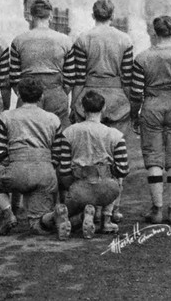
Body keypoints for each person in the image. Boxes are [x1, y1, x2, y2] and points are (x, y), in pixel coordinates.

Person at [6, 0, 73, 220]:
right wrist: (60, 92)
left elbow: (13, 75)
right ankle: (60, 200)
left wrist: (24, 93)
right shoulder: (64, 40)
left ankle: (17, 203)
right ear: (51, 16)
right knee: (59, 144)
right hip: (55, 91)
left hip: (27, 91)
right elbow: (70, 76)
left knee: (21, 140)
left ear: (30, 16)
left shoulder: (19, 40)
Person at [129, 16, 171, 225]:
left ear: (154, 32)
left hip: (151, 106)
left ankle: (157, 209)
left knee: (153, 159)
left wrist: (134, 116)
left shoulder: (142, 58)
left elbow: (135, 93)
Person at [0, 77, 70, 240]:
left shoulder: (6, 116)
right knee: (37, 224)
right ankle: (54, 215)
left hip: (17, 169)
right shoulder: (53, 119)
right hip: (45, 172)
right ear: (41, 96)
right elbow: (58, 152)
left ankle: (7, 212)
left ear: (19, 95)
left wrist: (11, 164)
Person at [69, 0, 133, 223]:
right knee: (114, 153)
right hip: (117, 98)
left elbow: (78, 77)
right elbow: (127, 78)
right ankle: (112, 208)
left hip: (89, 92)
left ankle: (90, 205)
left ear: (93, 15)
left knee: (88, 151)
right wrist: (130, 104)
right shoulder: (124, 39)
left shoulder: (83, 38)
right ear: (112, 16)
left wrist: (74, 103)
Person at [55, 91, 129, 238]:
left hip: (79, 189)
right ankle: (106, 220)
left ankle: (81, 215)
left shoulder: (69, 132)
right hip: (107, 190)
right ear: (103, 108)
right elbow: (123, 169)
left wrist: (71, 185)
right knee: (116, 177)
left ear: (83, 109)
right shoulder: (115, 135)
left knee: (72, 181)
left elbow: (63, 170)